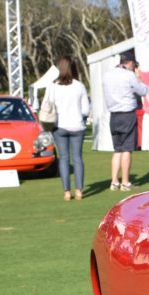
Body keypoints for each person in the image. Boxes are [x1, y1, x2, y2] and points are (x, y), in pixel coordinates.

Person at [42, 55, 90, 201]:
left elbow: (46, 105)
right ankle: (79, 190)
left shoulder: (52, 86)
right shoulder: (79, 86)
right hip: (77, 126)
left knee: (63, 158)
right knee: (77, 158)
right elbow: (86, 110)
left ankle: (66, 192)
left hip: (59, 126)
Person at [102, 49, 148, 191]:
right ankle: (125, 182)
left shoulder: (107, 75)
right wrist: (138, 77)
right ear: (130, 63)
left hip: (114, 115)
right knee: (127, 149)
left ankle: (114, 182)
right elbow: (143, 91)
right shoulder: (129, 75)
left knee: (117, 150)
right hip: (127, 114)